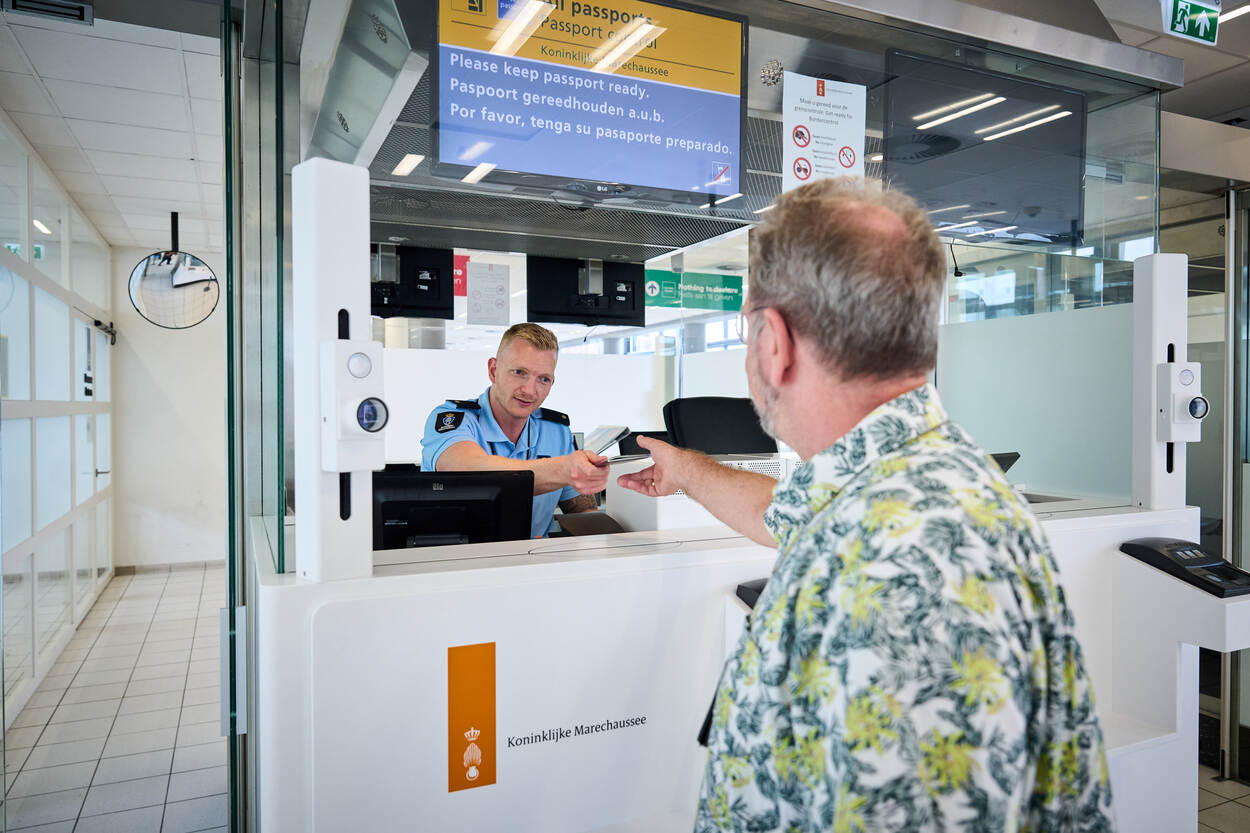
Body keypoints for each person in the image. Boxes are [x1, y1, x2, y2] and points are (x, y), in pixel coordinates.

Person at [618, 179, 1115, 831]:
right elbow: (784, 512)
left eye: (746, 332)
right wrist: (686, 469)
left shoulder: (904, 574)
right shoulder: (893, 480)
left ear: (775, 343)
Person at [421, 322, 608, 538]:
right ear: (493, 370)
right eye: (519, 372)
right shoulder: (455, 419)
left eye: (543, 379)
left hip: (539, 557)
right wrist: (564, 469)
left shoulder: (556, 431)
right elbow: (467, 473)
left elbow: (582, 510)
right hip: (463, 557)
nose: (530, 390)